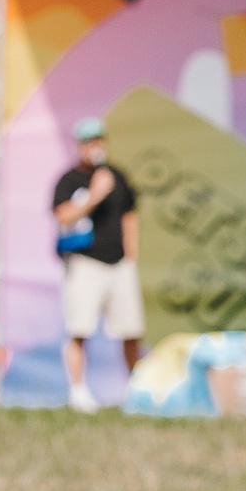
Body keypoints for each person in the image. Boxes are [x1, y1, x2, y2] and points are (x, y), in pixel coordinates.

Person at [52, 117, 142, 413]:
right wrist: (93, 196)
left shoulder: (118, 175)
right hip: (85, 263)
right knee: (80, 328)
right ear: (80, 145)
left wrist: (131, 255)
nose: (95, 146)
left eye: (98, 140)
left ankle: (136, 391)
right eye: (89, 141)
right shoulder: (69, 180)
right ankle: (78, 392)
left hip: (119, 264)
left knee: (130, 331)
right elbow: (63, 216)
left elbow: (129, 214)